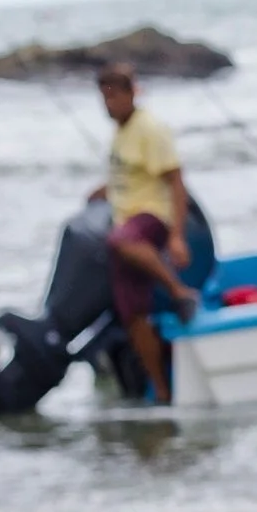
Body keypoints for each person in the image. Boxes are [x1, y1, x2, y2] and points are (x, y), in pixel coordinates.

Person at [89, 63, 198, 405]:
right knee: (132, 316)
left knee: (120, 240)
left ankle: (180, 291)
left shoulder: (150, 129)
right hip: (126, 222)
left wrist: (177, 236)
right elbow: (129, 177)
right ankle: (162, 392)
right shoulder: (120, 134)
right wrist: (102, 191)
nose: (108, 104)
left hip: (151, 218)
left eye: (114, 96)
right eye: (103, 97)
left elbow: (176, 182)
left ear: (130, 94)